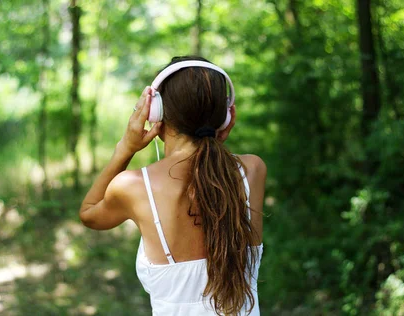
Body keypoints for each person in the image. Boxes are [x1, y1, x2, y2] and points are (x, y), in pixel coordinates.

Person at [79, 56, 266, 315]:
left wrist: (125, 148)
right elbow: (210, 172)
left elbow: (89, 213)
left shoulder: (134, 186)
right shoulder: (253, 171)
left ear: (156, 112)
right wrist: (212, 139)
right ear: (225, 116)